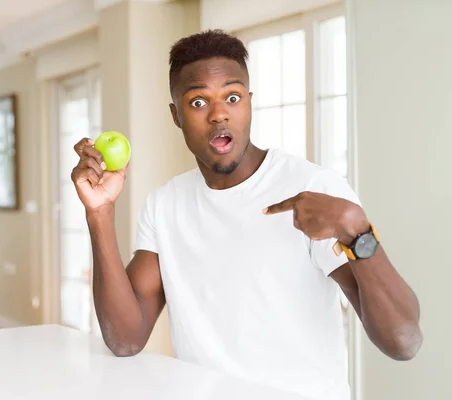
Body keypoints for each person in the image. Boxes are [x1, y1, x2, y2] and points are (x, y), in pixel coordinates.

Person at [70, 30, 422, 400]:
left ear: (249, 103)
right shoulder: (165, 205)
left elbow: (403, 341)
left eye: (232, 97)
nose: (219, 113)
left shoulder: (311, 188)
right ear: (176, 116)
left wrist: (356, 231)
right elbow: (125, 339)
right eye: (198, 102)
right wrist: (99, 212)